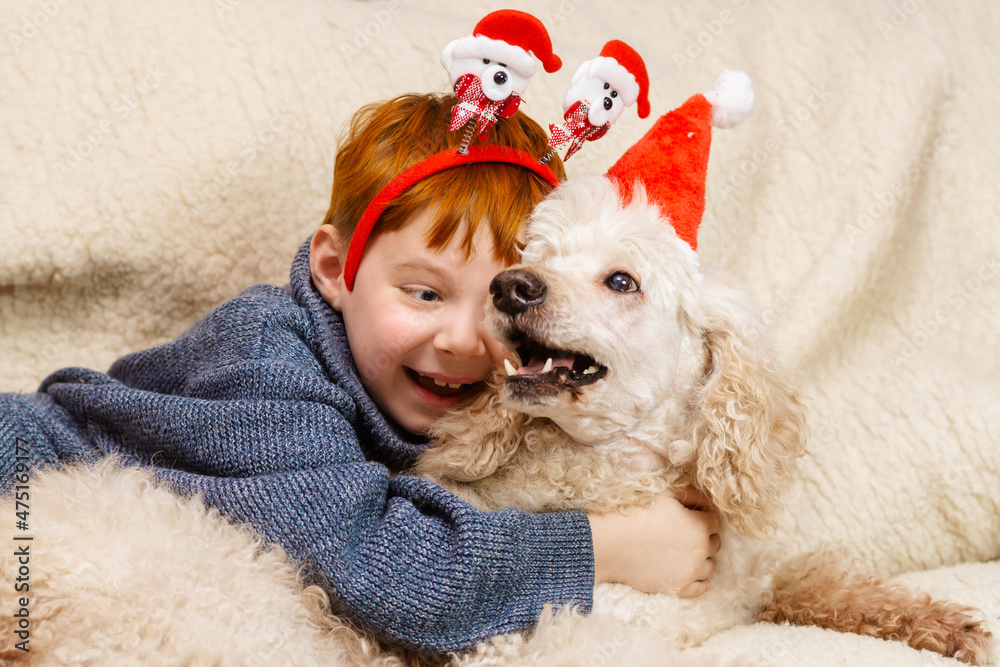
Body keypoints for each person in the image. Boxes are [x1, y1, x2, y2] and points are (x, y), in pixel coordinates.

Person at [0, 92, 721, 653]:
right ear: (333, 269)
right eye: (426, 292)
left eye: (502, 301)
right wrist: (609, 547)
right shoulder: (266, 356)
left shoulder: (480, 410)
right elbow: (383, 568)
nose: (465, 341)